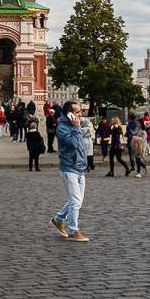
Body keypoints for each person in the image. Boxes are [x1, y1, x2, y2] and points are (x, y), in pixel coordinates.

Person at [51, 102, 90, 242]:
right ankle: (73, 231)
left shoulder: (74, 126)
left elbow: (81, 145)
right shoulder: (62, 128)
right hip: (69, 168)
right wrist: (76, 127)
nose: (80, 114)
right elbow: (73, 143)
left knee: (77, 200)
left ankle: (58, 219)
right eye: (78, 112)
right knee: (76, 201)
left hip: (79, 167)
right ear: (69, 114)